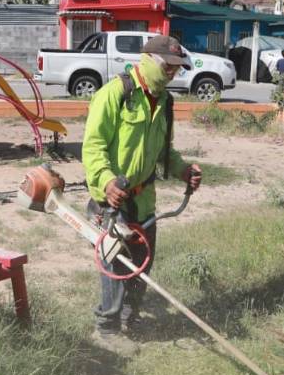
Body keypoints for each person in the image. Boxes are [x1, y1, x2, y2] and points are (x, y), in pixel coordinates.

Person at [82, 35, 203, 354]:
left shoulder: (165, 103)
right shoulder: (114, 94)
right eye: (168, 67)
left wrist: (183, 170)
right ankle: (106, 330)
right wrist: (106, 181)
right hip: (112, 199)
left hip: (144, 199)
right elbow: (93, 146)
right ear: (148, 60)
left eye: (177, 69)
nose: (172, 74)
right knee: (116, 263)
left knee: (141, 264)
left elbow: (165, 151)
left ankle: (129, 317)